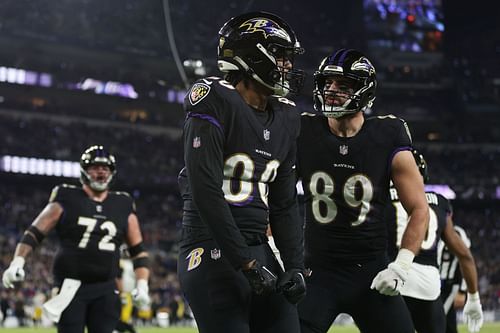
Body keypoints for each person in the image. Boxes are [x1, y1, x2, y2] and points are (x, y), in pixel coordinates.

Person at [177, 11, 307, 333]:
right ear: (251, 55)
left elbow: (284, 202)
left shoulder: (287, 117)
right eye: (280, 55)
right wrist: (243, 261)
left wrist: (294, 265)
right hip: (209, 245)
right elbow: (205, 188)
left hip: (258, 248)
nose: (287, 66)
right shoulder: (215, 98)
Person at [296, 48, 429, 333]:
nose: (332, 91)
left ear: (365, 92)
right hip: (317, 271)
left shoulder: (387, 134)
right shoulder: (303, 129)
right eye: (328, 83)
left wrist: (401, 266)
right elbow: (274, 195)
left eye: (343, 85)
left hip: (371, 270)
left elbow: (419, 208)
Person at [2, 145, 150, 333]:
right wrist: (18, 261)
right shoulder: (67, 196)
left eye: (105, 168)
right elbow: (34, 232)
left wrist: (143, 285)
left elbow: (138, 250)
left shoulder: (123, 203)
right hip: (70, 287)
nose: (101, 172)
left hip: (106, 287)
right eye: (95, 167)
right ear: (84, 170)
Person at [386, 149, 484, 333]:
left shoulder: (381, 198)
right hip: (428, 285)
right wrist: (473, 297)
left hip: (392, 277)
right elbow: (465, 255)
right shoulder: (439, 202)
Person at [438, 224, 483, 333]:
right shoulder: (433, 228)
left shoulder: (457, 233)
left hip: (450, 285)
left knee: (438, 318)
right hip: (435, 284)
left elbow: (465, 260)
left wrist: (462, 291)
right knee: (448, 320)